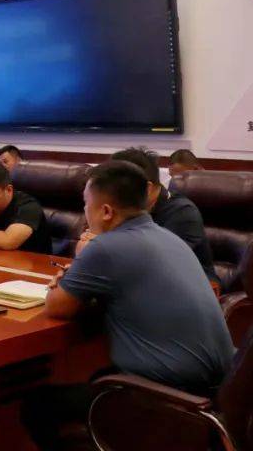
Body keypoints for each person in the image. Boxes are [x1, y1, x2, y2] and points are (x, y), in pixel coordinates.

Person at [22, 161, 234, 449]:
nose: (84, 211)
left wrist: (72, 275)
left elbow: (56, 307)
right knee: (98, 376)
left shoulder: (105, 247)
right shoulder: (168, 238)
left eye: (86, 204)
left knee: (36, 405)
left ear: (106, 211)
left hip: (167, 396)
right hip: (217, 392)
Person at [107, 147, 219, 288]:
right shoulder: (123, 209)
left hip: (193, 288)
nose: (110, 197)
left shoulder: (182, 212)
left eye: (117, 190)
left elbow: (158, 266)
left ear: (147, 189)